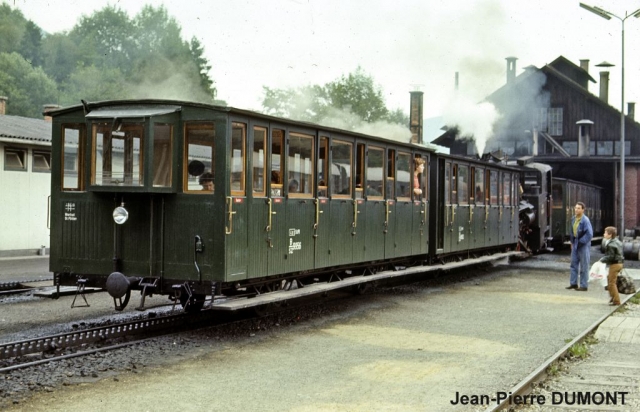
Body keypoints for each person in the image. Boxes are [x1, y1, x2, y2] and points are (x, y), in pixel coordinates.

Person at [567, 202, 593, 291]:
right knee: (573, 264)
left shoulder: (585, 220)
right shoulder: (573, 219)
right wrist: (572, 242)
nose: (576, 210)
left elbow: (589, 234)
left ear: (583, 210)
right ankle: (573, 283)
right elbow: (571, 231)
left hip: (583, 245)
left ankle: (584, 285)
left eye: (578, 208)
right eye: (575, 208)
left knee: (584, 265)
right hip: (575, 243)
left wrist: (581, 242)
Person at [600, 226, 624, 306]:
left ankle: (616, 301)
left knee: (611, 283)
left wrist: (601, 260)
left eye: (605, 233)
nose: (604, 234)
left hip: (615, 264)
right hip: (619, 263)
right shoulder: (616, 241)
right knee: (609, 279)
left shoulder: (611, 244)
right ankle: (613, 296)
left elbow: (610, 256)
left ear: (610, 235)